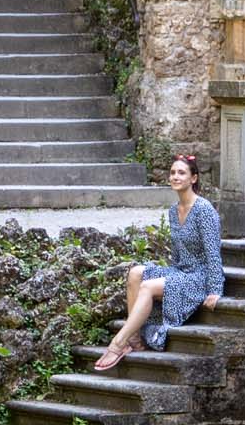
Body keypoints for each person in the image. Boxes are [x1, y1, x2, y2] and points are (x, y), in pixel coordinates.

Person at [95, 154, 222, 372]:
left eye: (181, 172)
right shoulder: (174, 211)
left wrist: (215, 289)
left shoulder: (204, 210)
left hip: (198, 278)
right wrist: (169, 273)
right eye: (172, 173)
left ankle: (118, 342)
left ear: (194, 178)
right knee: (136, 273)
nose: (175, 176)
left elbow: (213, 253)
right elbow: (177, 254)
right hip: (180, 271)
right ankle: (134, 338)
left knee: (148, 286)